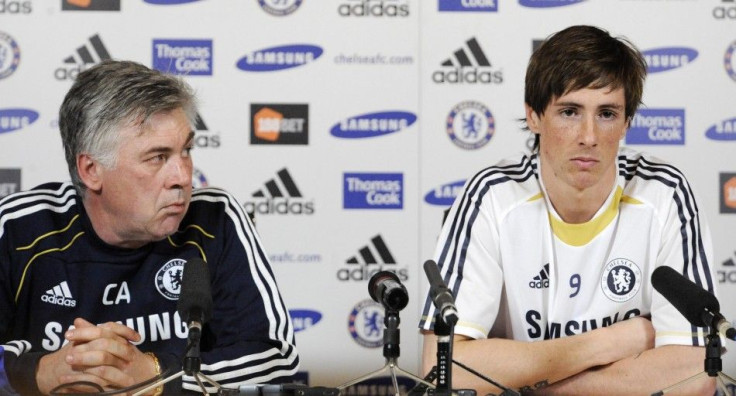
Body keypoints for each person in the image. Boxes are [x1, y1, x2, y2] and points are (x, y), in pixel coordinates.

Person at [419, 25, 717, 395]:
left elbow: (696, 377)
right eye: (570, 112)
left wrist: (531, 385)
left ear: (626, 123)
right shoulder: (492, 196)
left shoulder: (665, 193)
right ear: (534, 116)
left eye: (607, 113)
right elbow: (442, 366)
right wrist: (611, 342)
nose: (588, 136)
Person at [0, 60, 299, 395]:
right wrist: (38, 371)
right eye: (158, 157)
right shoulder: (17, 229)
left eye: (186, 150)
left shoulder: (215, 218)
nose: (183, 177)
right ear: (91, 170)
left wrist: (157, 374)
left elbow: (276, 360)